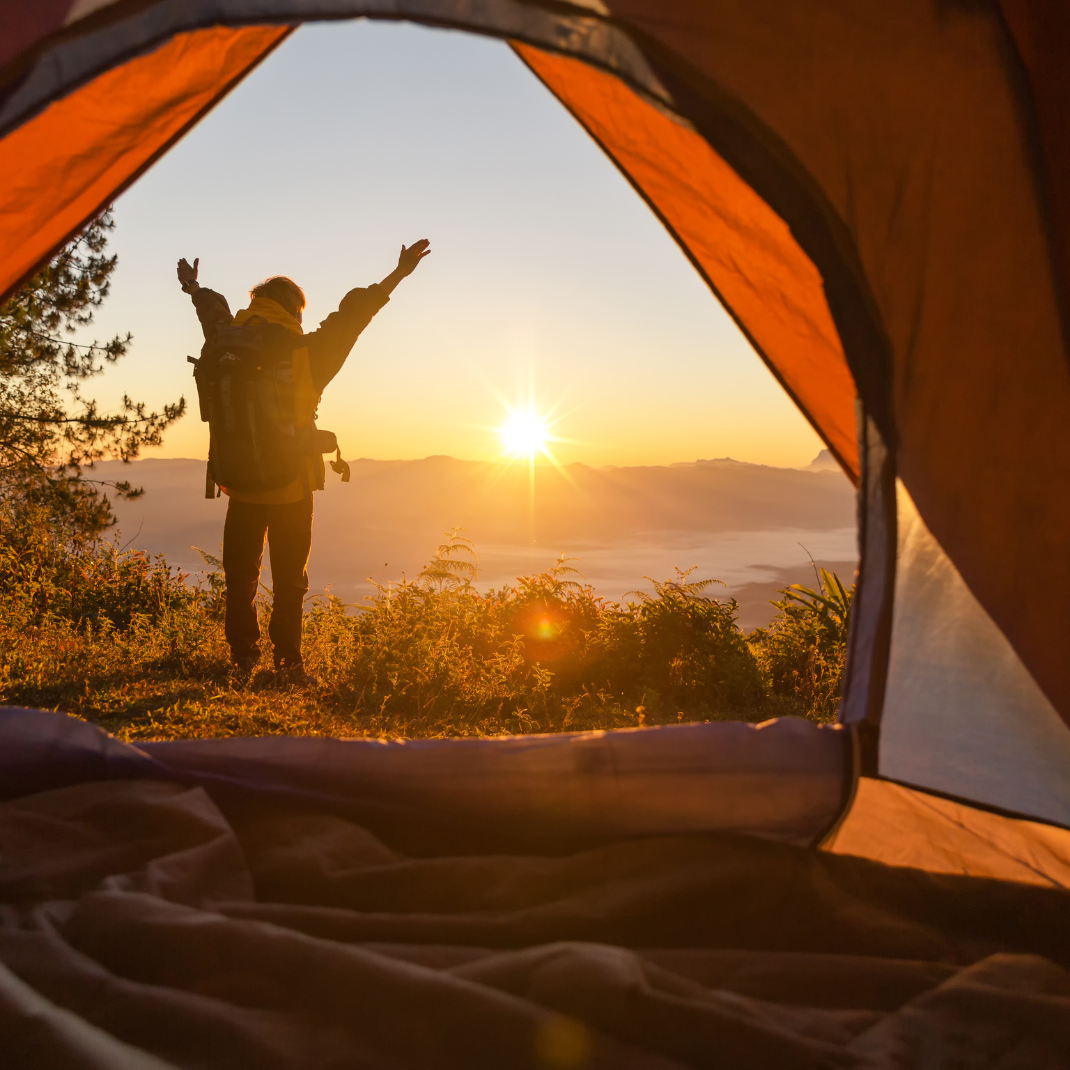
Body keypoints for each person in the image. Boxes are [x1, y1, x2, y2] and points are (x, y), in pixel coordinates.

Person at [177, 240, 430, 680]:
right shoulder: (309, 352)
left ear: (256, 305)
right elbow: (355, 315)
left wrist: (193, 286)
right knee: (290, 579)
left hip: (236, 481)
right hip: (291, 485)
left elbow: (212, 309)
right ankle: (288, 665)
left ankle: (242, 658)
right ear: (294, 311)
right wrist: (398, 274)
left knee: (240, 576)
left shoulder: (224, 339)